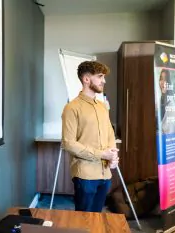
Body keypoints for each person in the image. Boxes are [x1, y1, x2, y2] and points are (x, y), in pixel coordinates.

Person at [61, 61, 119, 213]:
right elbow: (68, 143)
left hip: (105, 173)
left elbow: (110, 134)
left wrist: (113, 156)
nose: (104, 81)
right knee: (83, 219)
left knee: (97, 216)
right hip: (85, 175)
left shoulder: (102, 106)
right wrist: (101, 154)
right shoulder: (72, 108)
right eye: (100, 76)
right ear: (86, 79)